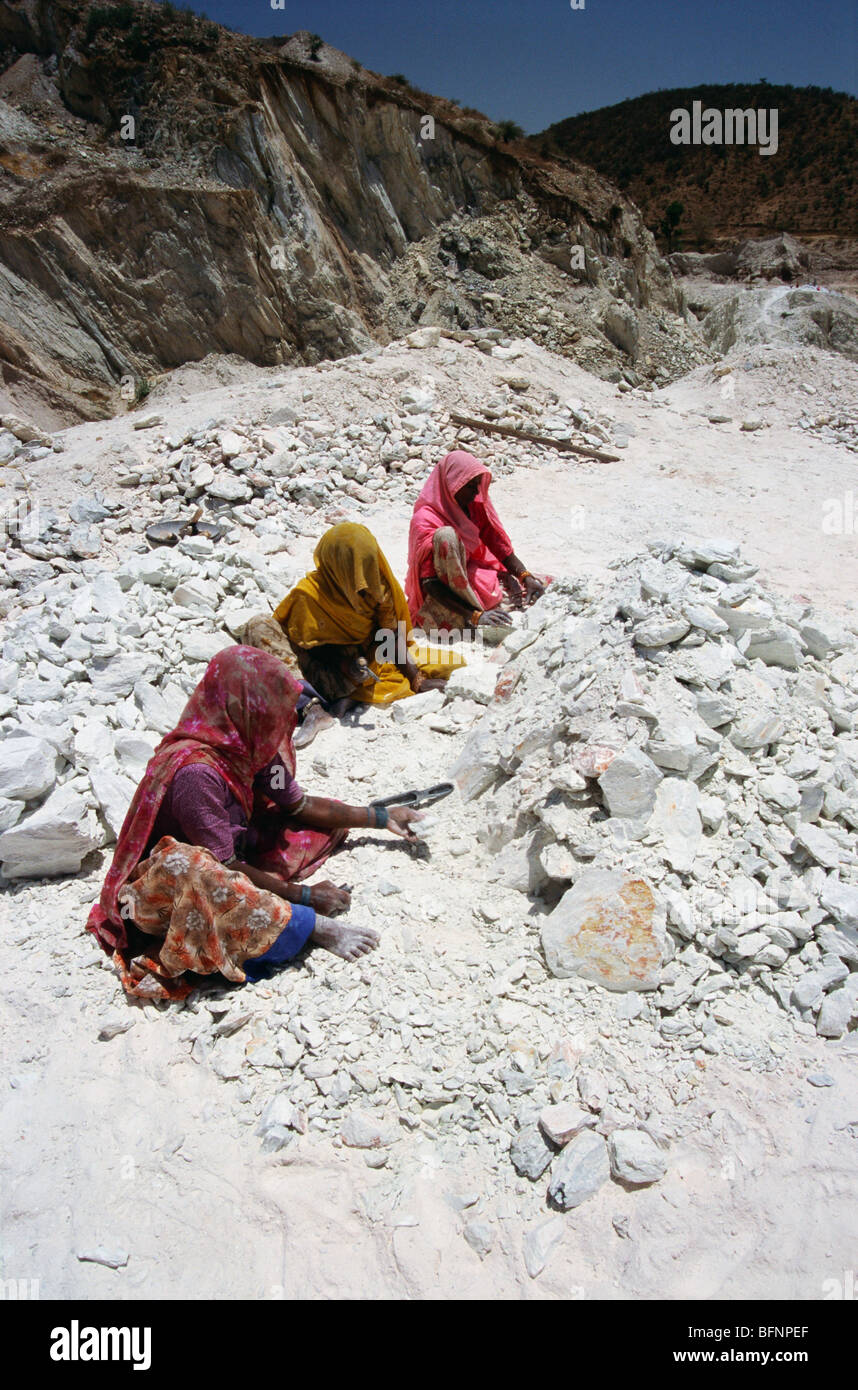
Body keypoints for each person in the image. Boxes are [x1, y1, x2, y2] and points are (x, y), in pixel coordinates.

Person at [86, 646, 423, 1001]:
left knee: (319, 823)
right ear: (244, 707)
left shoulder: (247, 745)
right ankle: (307, 927)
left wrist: (380, 817)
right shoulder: (196, 774)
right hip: (175, 889)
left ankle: (270, 899)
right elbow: (222, 866)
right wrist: (306, 897)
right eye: (270, 713)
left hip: (227, 858)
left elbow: (299, 804)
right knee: (202, 871)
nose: (277, 724)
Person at [267, 522, 463, 742]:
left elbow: (392, 636)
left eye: (368, 567)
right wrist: (342, 663)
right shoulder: (308, 595)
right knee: (261, 627)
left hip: (354, 671)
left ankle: (346, 696)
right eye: (352, 573)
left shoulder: (378, 586)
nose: (363, 583)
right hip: (313, 669)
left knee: (444, 663)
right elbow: (300, 645)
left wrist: (416, 680)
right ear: (335, 566)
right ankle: (311, 708)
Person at [405, 450, 546, 635]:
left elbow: (497, 544)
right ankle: (464, 614)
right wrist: (475, 616)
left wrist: (525, 576)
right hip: (439, 592)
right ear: (452, 484)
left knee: (507, 588)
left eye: (477, 485)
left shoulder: (472, 507)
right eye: (470, 486)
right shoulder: (425, 520)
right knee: (447, 537)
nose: (476, 493)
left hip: (465, 573)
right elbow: (430, 583)